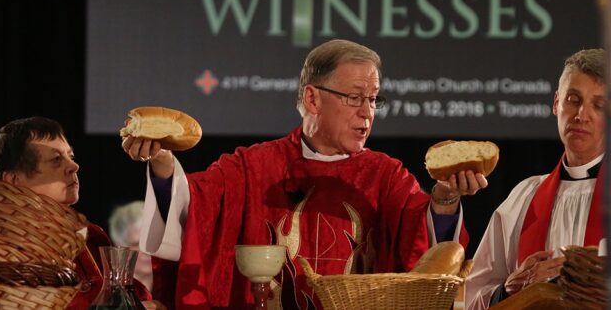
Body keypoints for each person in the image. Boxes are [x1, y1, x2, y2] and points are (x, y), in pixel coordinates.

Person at [122, 39, 488, 309]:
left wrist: (445, 200)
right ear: (312, 99)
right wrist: (163, 164)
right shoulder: (253, 167)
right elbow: (193, 207)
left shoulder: (385, 175)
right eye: (355, 97)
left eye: (374, 99)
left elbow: (423, 250)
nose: (367, 113)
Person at [465, 49, 611, 309]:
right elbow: (474, 296)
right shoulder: (523, 197)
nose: (581, 115)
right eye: (573, 99)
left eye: (599, 105)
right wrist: (508, 290)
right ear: (556, 103)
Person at [0, 116, 160, 309]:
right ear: (14, 180)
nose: (74, 166)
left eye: (71, 156)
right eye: (56, 160)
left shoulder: (91, 236)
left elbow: (132, 295)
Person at [109, 200, 154, 291]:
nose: (147, 251)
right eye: (137, 244)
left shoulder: (175, 290)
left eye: (152, 241)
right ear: (120, 248)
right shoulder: (110, 296)